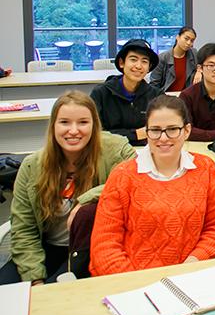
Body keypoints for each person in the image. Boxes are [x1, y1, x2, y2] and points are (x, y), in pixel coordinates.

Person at [2, 92, 135, 285]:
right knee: (9, 300)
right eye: (64, 122)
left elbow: (133, 180)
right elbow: (24, 229)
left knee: (59, 299)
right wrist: (35, 278)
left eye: (83, 122)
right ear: (53, 126)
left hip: (88, 249)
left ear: (94, 125)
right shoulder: (32, 166)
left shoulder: (115, 150)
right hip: (42, 248)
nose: (73, 131)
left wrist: (86, 199)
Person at [90, 96, 215, 276]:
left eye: (172, 129)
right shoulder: (123, 175)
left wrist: (193, 263)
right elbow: (104, 246)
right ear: (146, 132)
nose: (163, 138)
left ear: (187, 131)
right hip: (133, 283)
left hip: (190, 277)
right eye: (155, 130)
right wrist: (137, 282)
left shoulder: (206, 168)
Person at [90, 39, 162, 146]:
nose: (138, 66)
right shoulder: (101, 94)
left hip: (146, 152)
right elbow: (95, 133)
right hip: (110, 152)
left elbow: (162, 129)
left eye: (144, 61)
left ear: (149, 68)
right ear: (121, 63)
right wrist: (135, 134)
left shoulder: (157, 96)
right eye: (133, 59)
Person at [150, 26, 199, 92]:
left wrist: (199, 71)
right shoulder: (162, 58)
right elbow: (154, 85)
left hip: (186, 97)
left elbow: (204, 64)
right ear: (178, 37)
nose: (188, 43)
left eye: (192, 41)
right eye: (186, 39)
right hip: (166, 97)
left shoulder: (194, 53)